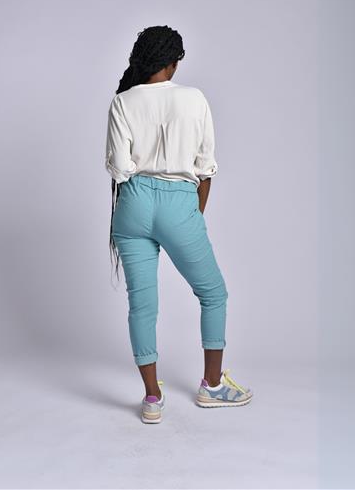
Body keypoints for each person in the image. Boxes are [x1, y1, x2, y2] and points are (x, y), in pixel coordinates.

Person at [105, 25, 253, 424]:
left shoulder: (123, 101)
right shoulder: (194, 98)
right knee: (213, 293)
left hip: (132, 205)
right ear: (173, 63)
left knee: (142, 305)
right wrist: (189, 216)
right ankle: (212, 386)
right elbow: (206, 168)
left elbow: (119, 169)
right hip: (179, 203)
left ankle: (152, 399)